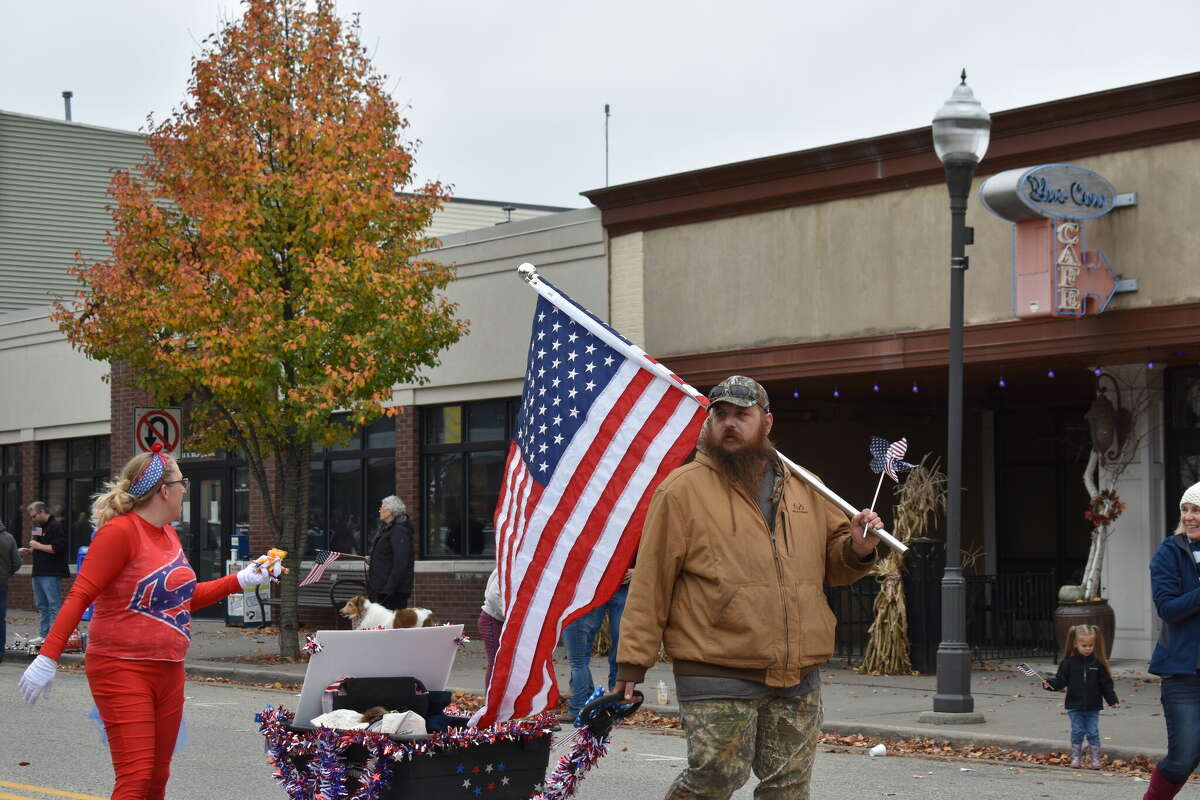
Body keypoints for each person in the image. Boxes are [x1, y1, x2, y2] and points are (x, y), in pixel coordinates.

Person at [614, 375, 882, 800]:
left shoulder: (805, 484)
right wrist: (632, 664)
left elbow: (833, 563)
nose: (730, 424)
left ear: (767, 422)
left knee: (788, 788)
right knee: (715, 780)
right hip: (715, 668)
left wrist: (858, 549)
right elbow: (650, 584)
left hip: (797, 672)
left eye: (742, 414)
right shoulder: (680, 491)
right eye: (720, 415)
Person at [16, 443, 281, 800]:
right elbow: (80, 594)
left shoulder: (169, 534)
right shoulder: (119, 532)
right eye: (181, 481)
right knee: (136, 777)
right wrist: (48, 656)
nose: (186, 489)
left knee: (157, 777)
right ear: (164, 490)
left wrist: (244, 579)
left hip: (169, 669)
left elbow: (182, 598)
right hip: (121, 667)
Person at [1142, 481, 1200, 800]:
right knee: (1182, 759)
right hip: (1183, 672)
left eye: (1197, 510)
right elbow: (1168, 608)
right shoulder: (1170, 552)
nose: (1189, 517)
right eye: (1185, 510)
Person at [560, 557, 634, 723]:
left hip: (612, 583)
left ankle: (591, 705)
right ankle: (604, 704)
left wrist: (638, 572)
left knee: (583, 656)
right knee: (583, 655)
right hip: (596, 583)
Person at [1041, 623, 1118, 768]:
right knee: (1077, 731)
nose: (1088, 648)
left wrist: (1112, 699)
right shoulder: (1068, 664)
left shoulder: (1098, 663)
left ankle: (1096, 759)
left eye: (1090, 645)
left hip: (1093, 705)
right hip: (1074, 705)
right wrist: (1050, 684)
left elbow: (1106, 684)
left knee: (1093, 732)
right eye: (1084, 645)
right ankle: (1076, 757)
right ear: (1075, 644)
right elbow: (1060, 681)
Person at [20, 500, 69, 639]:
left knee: (53, 606)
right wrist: (29, 550)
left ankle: (53, 637)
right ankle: (43, 635)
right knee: (42, 606)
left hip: (51, 572)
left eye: (34, 516)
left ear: (42, 512)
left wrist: (37, 546)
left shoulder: (56, 525)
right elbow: (37, 545)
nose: (32, 519)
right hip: (38, 571)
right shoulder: (38, 526)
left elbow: (57, 548)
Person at [367, 495, 414, 609]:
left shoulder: (399, 531)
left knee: (390, 625)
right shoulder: (389, 528)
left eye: (382, 507)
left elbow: (401, 563)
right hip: (382, 589)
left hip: (392, 593)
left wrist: (388, 590)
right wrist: (373, 559)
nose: (380, 510)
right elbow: (388, 556)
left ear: (390, 511)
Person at [479, 568, 504, 690]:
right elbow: (494, 596)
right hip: (492, 619)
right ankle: (491, 703)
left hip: (501, 620)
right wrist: (511, 615)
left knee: (502, 663)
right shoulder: (509, 564)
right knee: (496, 663)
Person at [0, 520, 20, 662]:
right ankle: (0, 652)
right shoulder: (8, 538)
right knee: (1, 618)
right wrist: (7, 573)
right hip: (2, 582)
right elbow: (17, 562)